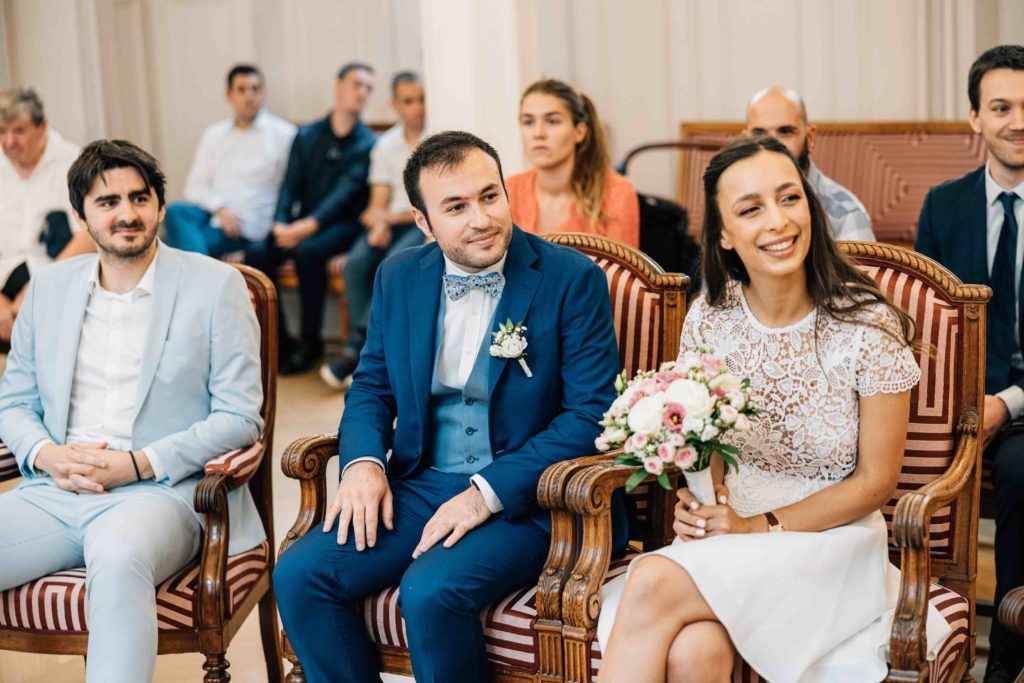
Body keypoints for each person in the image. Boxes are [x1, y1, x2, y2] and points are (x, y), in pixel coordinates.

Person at [597, 136, 951, 682]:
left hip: (831, 541)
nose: (779, 221)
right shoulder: (710, 319)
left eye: (790, 199)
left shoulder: (867, 327)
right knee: (696, 651)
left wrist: (758, 526)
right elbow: (703, 432)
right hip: (734, 530)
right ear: (724, 235)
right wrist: (706, 503)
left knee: (648, 582)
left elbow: (877, 482)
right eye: (750, 208)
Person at [273, 131, 623, 683]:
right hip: (423, 480)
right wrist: (363, 463)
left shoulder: (571, 280)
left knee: (431, 590)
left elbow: (590, 415)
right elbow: (371, 386)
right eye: (456, 207)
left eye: (490, 196)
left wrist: (486, 494)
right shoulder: (399, 275)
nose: (481, 218)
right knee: (300, 574)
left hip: (535, 496)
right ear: (422, 221)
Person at [0, 139, 264, 682]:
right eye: (107, 202)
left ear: (160, 206)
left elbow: (241, 416)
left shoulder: (216, 286)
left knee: (119, 561)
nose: (127, 213)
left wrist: (139, 462)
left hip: (162, 493)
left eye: (140, 198)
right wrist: (48, 455)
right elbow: (15, 402)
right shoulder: (47, 289)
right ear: (80, 216)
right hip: (55, 491)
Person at [915, 44, 1024, 683]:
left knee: (1016, 468)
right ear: (974, 119)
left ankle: (1006, 655)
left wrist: (1004, 404)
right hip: (959, 403)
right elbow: (931, 328)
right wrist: (959, 405)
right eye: (1002, 107)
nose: (1018, 121)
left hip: (1015, 413)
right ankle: (920, 629)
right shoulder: (944, 205)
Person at [246, 62, 376, 374]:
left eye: (369, 88)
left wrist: (305, 227)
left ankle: (309, 342)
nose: (362, 93)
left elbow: (343, 195)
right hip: (300, 223)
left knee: (308, 252)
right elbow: (289, 183)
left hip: (343, 227)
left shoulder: (368, 143)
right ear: (338, 86)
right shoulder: (306, 135)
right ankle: (280, 343)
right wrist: (279, 222)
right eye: (356, 84)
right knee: (257, 253)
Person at [320, 71, 427, 389]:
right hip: (391, 221)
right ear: (395, 104)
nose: (418, 107)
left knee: (392, 266)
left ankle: (356, 351)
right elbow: (376, 202)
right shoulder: (386, 145)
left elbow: (431, 203)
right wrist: (379, 221)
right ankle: (373, 354)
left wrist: (385, 220)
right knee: (355, 263)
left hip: (420, 222)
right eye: (409, 101)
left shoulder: (437, 137)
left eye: (422, 99)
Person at [163, 64, 296, 257]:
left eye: (255, 89)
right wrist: (221, 208)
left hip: (249, 225)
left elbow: (294, 187)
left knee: (170, 248)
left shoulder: (284, 134)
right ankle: (200, 273)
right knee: (174, 212)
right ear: (229, 95)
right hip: (215, 216)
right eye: (241, 90)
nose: (249, 96)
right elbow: (194, 186)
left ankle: (197, 275)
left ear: (263, 93)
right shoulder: (215, 135)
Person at [0, 88, 96, 342]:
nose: (9, 142)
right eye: (1, 131)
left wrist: (37, 289)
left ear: (42, 127)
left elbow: (88, 235)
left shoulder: (73, 162)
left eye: (19, 131)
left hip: (53, 270)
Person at [505, 79, 640, 247]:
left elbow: (621, 271)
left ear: (579, 131)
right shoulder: (510, 190)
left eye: (552, 121)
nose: (538, 133)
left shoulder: (616, 192)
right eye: (528, 122)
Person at [745, 85, 876, 242]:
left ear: (810, 137)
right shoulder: (730, 204)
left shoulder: (845, 213)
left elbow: (861, 268)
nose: (771, 144)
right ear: (745, 141)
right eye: (759, 134)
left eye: (785, 132)